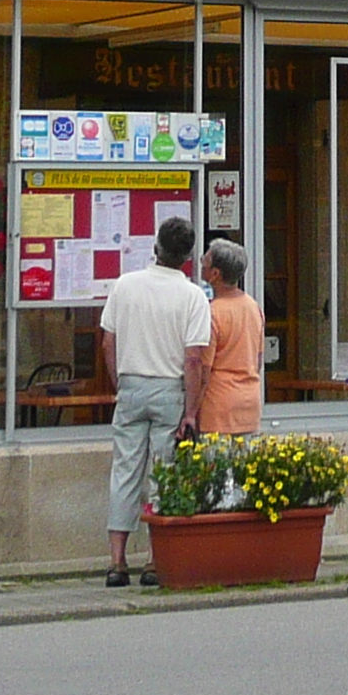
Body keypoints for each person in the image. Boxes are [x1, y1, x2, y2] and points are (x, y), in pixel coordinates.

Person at [97, 215, 210, 586]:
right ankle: (153, 560)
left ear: (156, 247)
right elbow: (193, 358)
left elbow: (108, 342)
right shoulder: (193, 296)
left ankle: (116, 562)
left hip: (131, 385)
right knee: (163, 473)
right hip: (169, 387)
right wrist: (190, 411)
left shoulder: (125, 285)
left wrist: (120, 383)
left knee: (125, 471)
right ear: (188, 257)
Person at [194, 237, 266, 434]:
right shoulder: (253, 307)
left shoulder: (212, 313)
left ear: (215, 274)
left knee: (215, 464)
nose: (201, 262)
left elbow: (204, 371)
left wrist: (191, 412)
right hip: (249, 404)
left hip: (218, 407)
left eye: (205, 260)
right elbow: (258, 360)